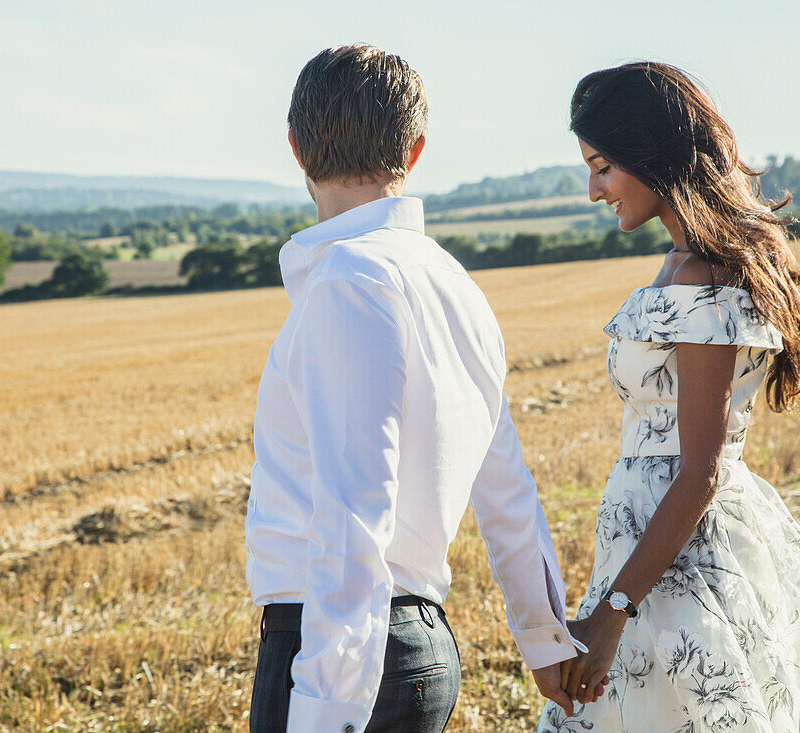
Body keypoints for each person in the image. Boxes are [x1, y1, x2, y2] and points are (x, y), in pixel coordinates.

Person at [536, 62, 800, 732]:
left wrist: (614, 613)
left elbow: (698, 468)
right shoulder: (681, 264)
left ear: (650, 154)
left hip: (680, 562)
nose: (594, 190)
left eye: (602, 166)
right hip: (645, 547)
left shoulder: (701, 276)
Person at [245, 44, 582, 733]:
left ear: (295, 147)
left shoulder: (347, 282)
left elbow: (353, 515)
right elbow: (508, 488)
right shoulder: (457, 286)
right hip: (416, 647)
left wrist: (327, 715)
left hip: (340, 661)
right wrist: (544, 639)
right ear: (417, 148)